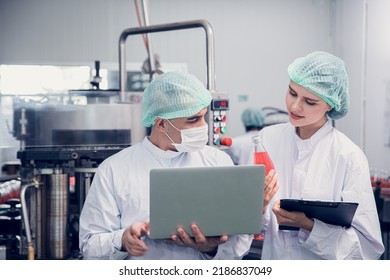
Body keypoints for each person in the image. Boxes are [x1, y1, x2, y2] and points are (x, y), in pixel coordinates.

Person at [79, 71, 278, 260]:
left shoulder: (217, 162)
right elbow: (89, 246)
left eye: (203, 116)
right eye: (193, 120)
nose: (203, 126)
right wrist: (121, 240)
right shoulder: (114, 169)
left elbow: (237, 247)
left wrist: (211, 248)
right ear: (161, 124)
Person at [257, 51, 385, 259]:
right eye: (292, 92)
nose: (295, 106)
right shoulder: (267, 140)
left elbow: (367, 248)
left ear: (331, 104)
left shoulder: (348, 156)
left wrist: (309, 226)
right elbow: (252, 225)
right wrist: (259, 206)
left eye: (310, 102)